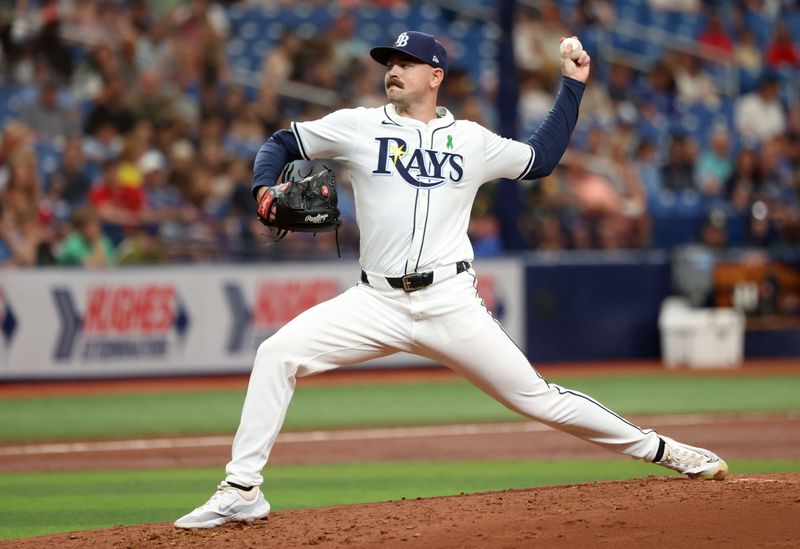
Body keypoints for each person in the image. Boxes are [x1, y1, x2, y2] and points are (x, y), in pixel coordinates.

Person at [175, 31, 727, 529]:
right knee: (277, 353)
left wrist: (572, 85)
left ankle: (665, 450)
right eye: (389, 61)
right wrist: (263, 189)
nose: (393, 70)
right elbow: (280, 142)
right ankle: (242, 489)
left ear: (435, 76)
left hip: (449, 301)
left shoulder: (470, 140)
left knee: (539, 398)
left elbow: (541, 157)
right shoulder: (358, 125)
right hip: (375, 301)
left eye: (406, 63)